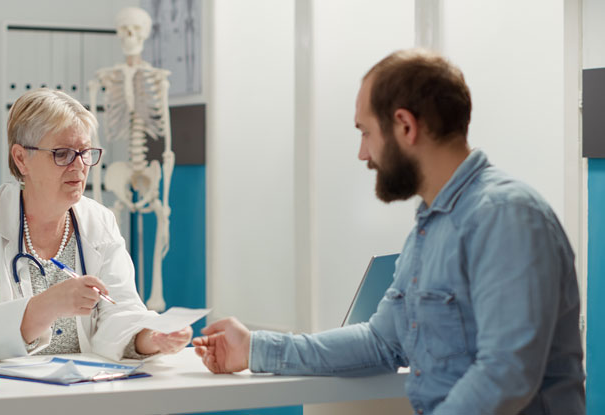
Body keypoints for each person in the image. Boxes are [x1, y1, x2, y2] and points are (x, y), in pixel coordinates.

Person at [193, 49, 585, 415]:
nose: (363, 154)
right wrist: (256, 348)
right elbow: (382, 342)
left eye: (365, 132)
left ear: (404, 126)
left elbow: (505, 375)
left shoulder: (506, 216)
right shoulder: (429, 227)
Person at [0, 89, 191, 361]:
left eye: (85, 152)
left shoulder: (99, 221)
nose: (79, 166)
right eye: (62, 153)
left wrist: (149, 337)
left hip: (73, 390)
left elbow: (119, 311)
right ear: (21, 158)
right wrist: (46, 306)